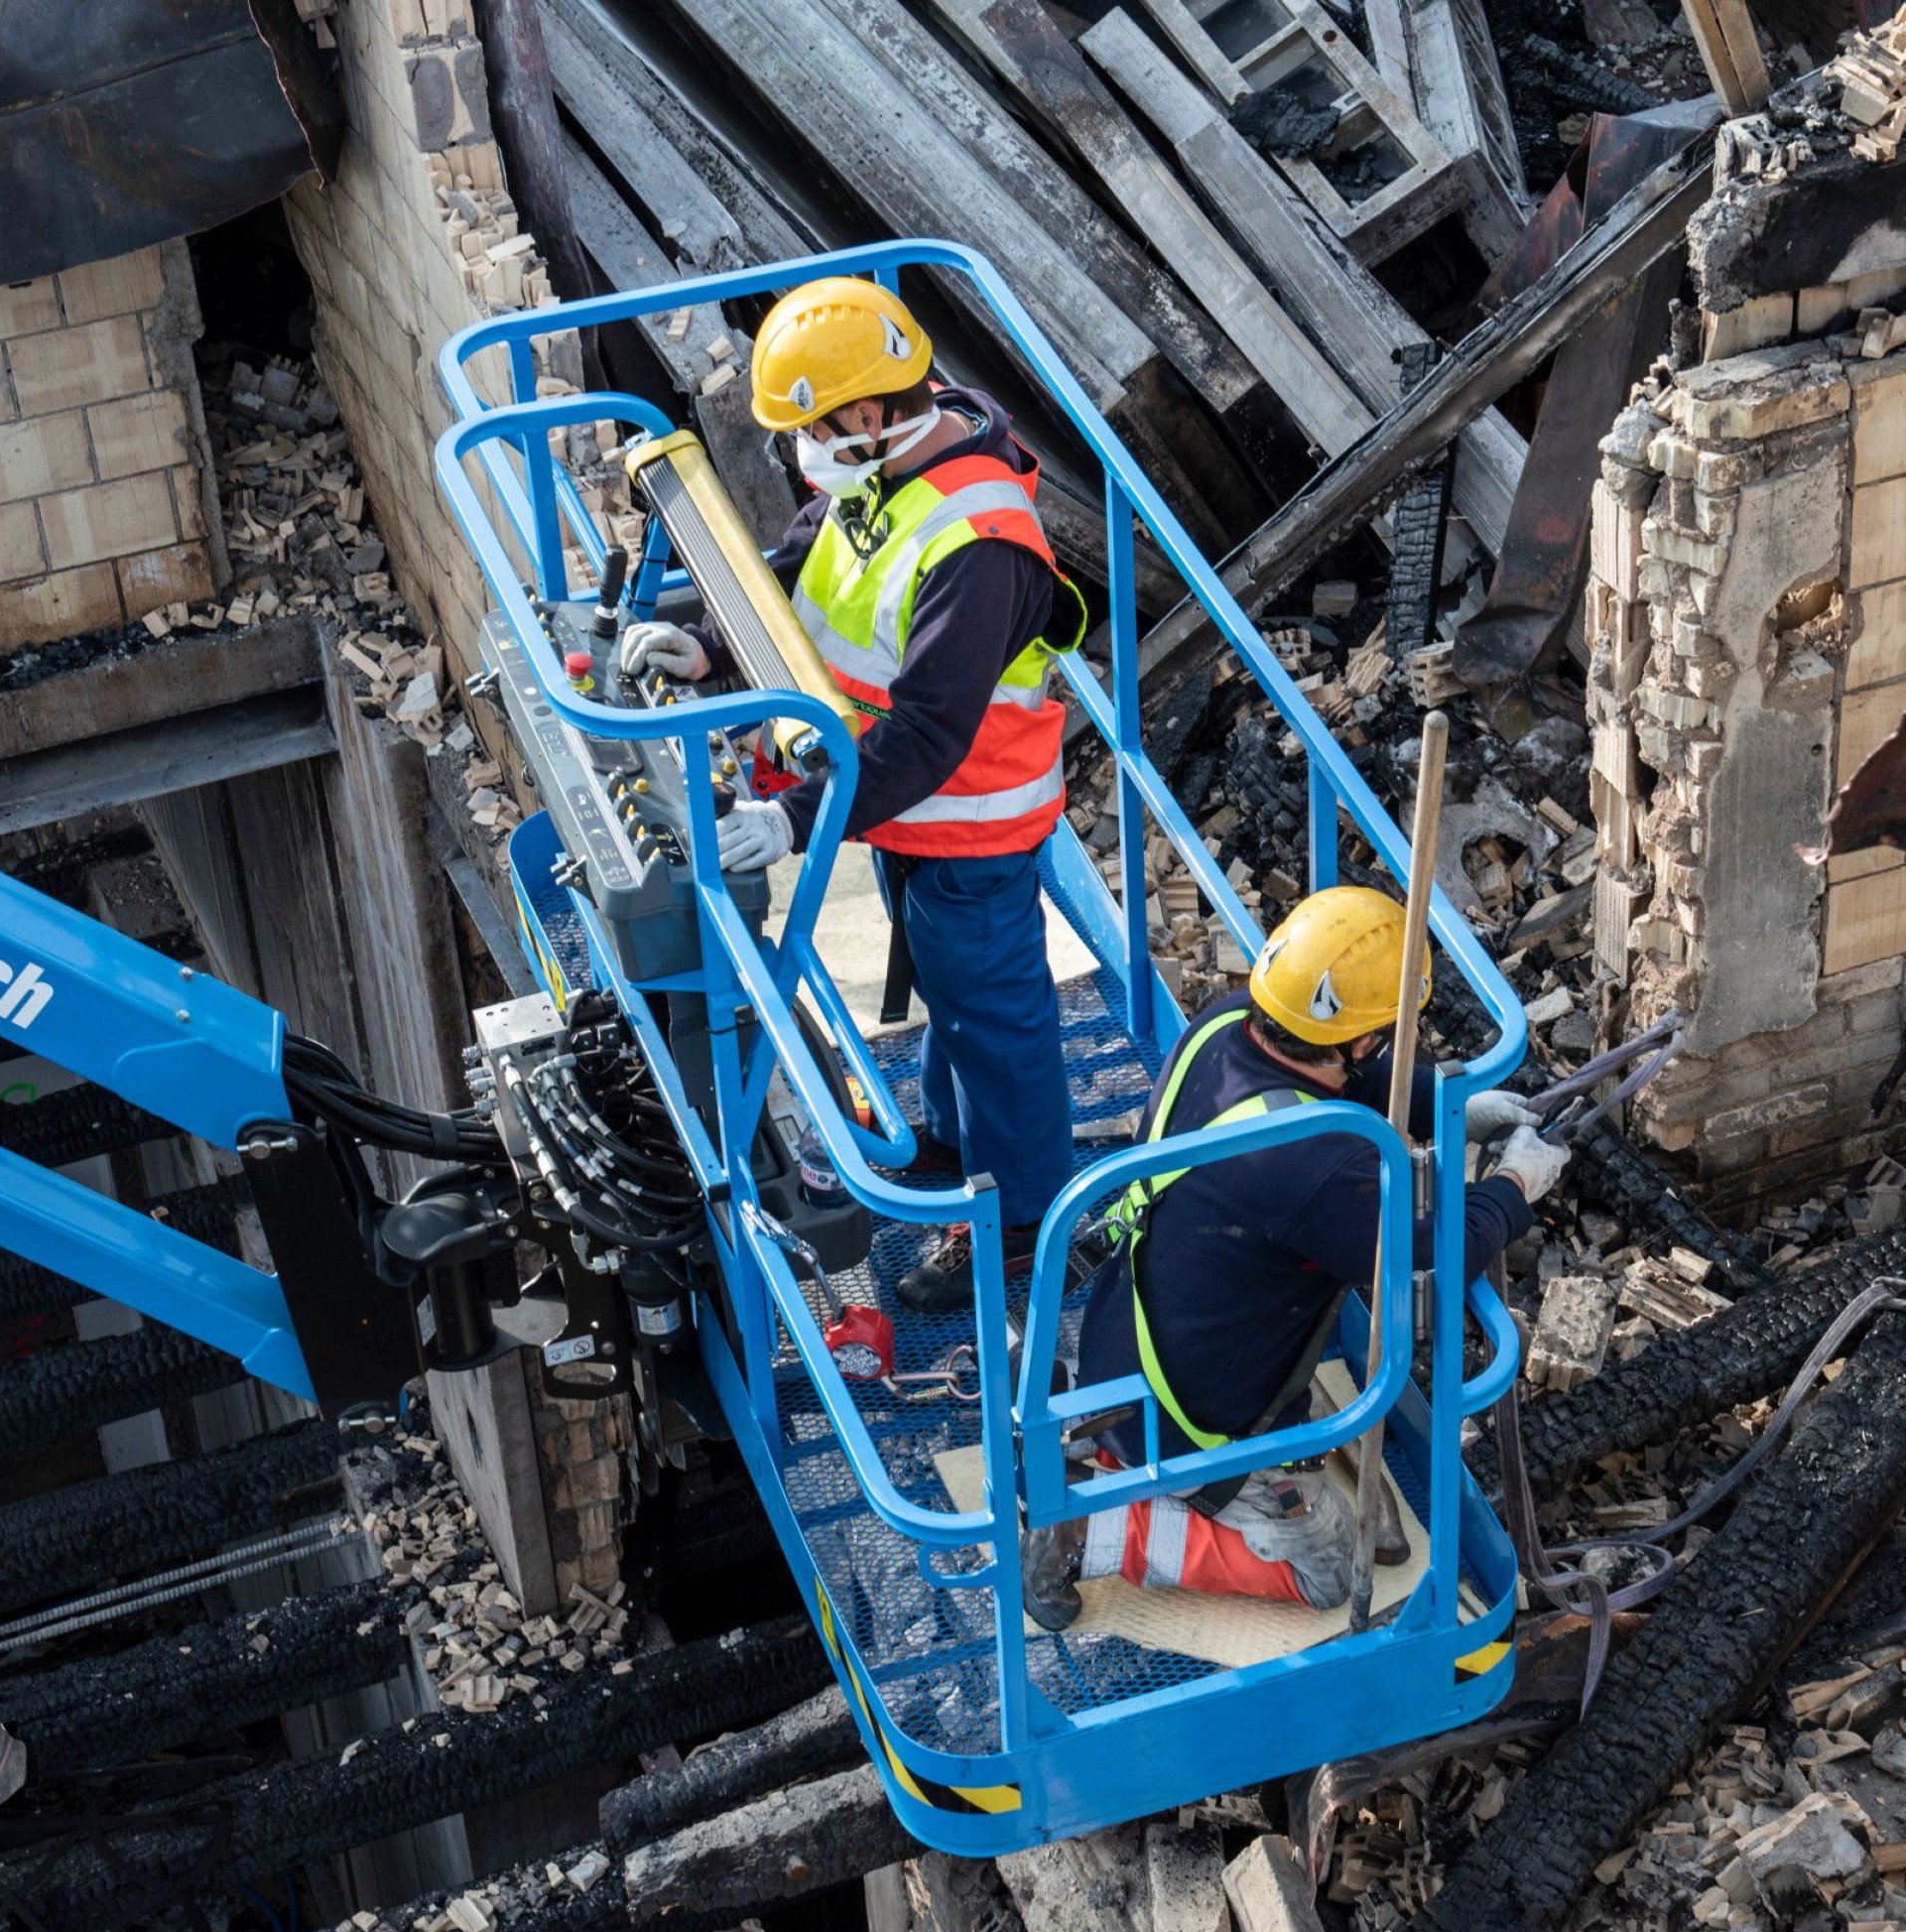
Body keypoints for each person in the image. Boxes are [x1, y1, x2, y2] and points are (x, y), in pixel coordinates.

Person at [616, 276, 1086, 1313]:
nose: (795, 456)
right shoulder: (877, 470)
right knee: (955, 1008)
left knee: (999, 1026)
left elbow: (924, 736)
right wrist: (706, 643)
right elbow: (793, 568)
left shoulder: (979, 545)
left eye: (803, 432)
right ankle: (952, 1145)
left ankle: (1022, 1229)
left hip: (967, 826)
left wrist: (787, 819)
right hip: (898, 812)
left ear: (868, 415)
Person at [1022, 886, 1569, 1629]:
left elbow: (1358, 1070)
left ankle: (1148, 1461)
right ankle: (1091, 1528)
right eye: (1387, 1030)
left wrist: (1444, 1105)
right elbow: (1431, 1259)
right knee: (1333, 1573)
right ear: (1362, 1038)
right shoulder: (1312, 1163)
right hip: (1190, 1416)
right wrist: (1512, 1188)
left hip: (1136, 1332)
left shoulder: (1224, 1024)